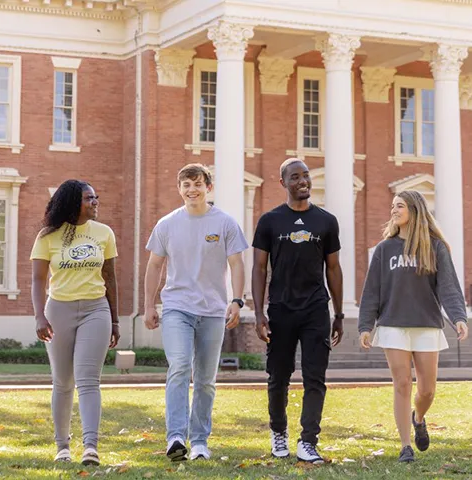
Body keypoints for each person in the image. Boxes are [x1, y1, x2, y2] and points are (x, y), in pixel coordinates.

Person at [143, 163, 247, 462]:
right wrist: (150, 305)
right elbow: (154, 265)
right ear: (179, 189)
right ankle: (176, 436)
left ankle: (199, 440)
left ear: (208, 187)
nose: (192, 190)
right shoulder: (167, 224)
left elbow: (237, 264)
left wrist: (237, 300)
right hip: (177, 307)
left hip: (213, 311)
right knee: (179, 365)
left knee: (205, 379)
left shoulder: (225, 223)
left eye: (198, 184)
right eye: (186, 185)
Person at [357, 190, 470, 463]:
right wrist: (365, 325)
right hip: (393, 324)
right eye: (392, 206)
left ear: (414, 210)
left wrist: (458, 317)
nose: (393, 211)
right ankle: (405, 446)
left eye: (399, 206)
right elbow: (372, 290)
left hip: (427, 325)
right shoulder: (385, 249)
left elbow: (448, 287)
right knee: (402, 384)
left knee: (427, 390)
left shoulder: (435, 247)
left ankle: (418, 418)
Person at [252, 159, 344, 464]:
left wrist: (339, 314)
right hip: (280, 309)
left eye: (305, 175)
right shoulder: (269, 221)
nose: (303, 181)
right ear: (283, 183)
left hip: (316, 308)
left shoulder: (326, 221)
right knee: (278, 376)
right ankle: (278, 433)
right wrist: (259, 313)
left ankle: (308, 441)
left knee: (315, 377)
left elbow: (333, 268)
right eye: (295, 177)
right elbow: (259, 268)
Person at [30, 179, 120, 466]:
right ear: (72, 203)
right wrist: (39, 316)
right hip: (59, 311)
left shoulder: (104, 233)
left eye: (96, 197)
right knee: (63, 382)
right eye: (88, 198)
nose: (95, 202)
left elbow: (111, 278)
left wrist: (115, 320)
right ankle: (62, 447)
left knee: (89, 380)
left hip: (96, 309)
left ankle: (91, 447)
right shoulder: (48, 236)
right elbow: (37, 279)